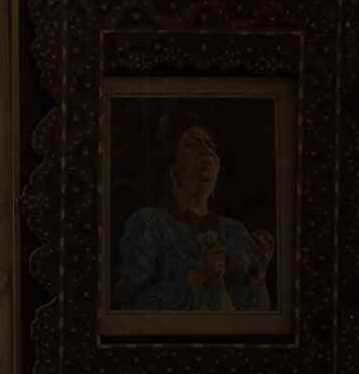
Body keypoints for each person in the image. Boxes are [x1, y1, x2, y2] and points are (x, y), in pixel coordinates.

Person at [115, 110, 275, 311]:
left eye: (210, 145)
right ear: (172, 163)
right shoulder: (148, 224)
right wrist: (198, 277)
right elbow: (130, 304)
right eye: (192, 144)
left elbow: (256, 323)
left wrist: (256, 279)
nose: (206, 151)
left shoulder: (235, 232)